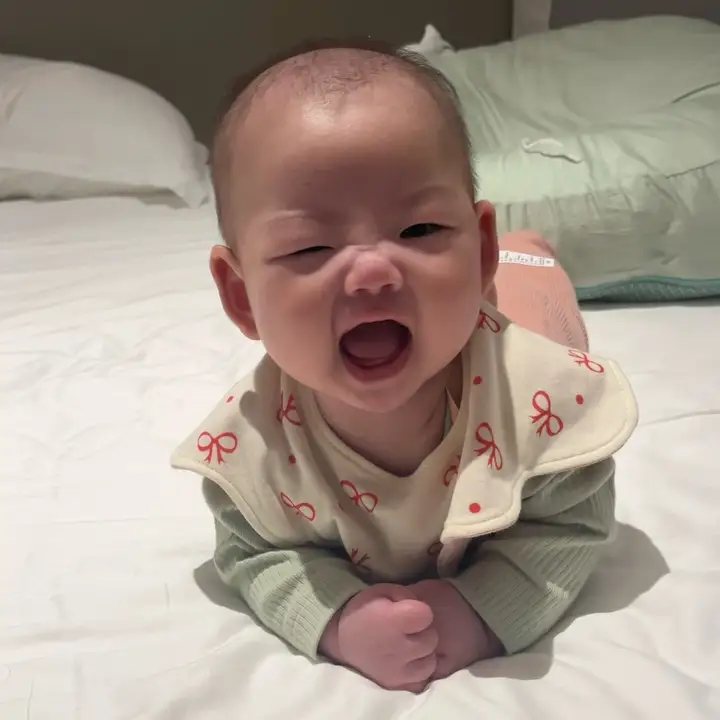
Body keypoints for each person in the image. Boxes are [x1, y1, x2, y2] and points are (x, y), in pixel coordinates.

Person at [171, 39, 638, 693]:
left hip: (516, 321)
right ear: (242, 297)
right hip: (465, 300)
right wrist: (335, 618)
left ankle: (523, 255)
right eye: (310, 247)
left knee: (538, 297)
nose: (372, 271)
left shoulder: (536, 399)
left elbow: (572, 520)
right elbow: (254, 552)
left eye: (420, 230)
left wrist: (481, 610)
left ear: (477, 251)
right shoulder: (256, 449)